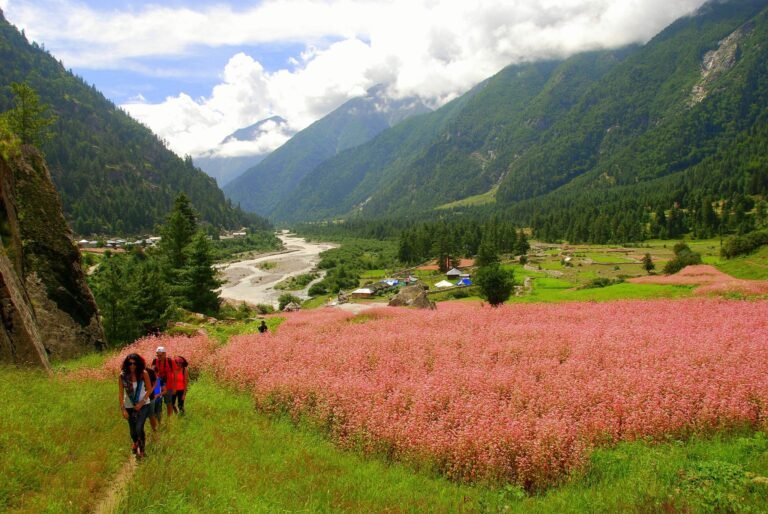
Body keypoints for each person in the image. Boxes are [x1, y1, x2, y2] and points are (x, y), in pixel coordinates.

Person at [119, 353, 152, 458]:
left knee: (139, 427)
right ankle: (135, 442)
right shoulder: (122, 376)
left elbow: (150, 389)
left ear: (138, 364)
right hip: (129, 406)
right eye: (130, 364)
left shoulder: (143, 374)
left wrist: (142, 402)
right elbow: (120, 394)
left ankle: (142, 450)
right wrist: (123, 409)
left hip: (143, 405)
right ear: (126, 364)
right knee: (133, 431)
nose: (132, 366)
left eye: (134, 363)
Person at [152, 346, 177, 418]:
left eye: (160, 355)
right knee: (157, 402)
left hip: (169, 386)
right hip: (157, 385)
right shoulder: (155, 361)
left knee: (168, 403)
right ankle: (159, 419)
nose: (158, 357)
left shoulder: (170, 361)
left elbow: (175, 375)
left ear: (164, 354)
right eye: (157, 355)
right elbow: (152, 373)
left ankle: (169, 419)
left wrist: (175, 387)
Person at [147, 365, 164, 431]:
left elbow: (165, 390)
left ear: (157, 372)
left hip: (158, 399)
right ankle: (155, 428)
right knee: (152, 415)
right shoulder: (149, 380)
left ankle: (159, 426)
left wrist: (158, 395)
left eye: (154, 372)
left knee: (158, 414)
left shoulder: (160, 380)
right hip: (152, 400)